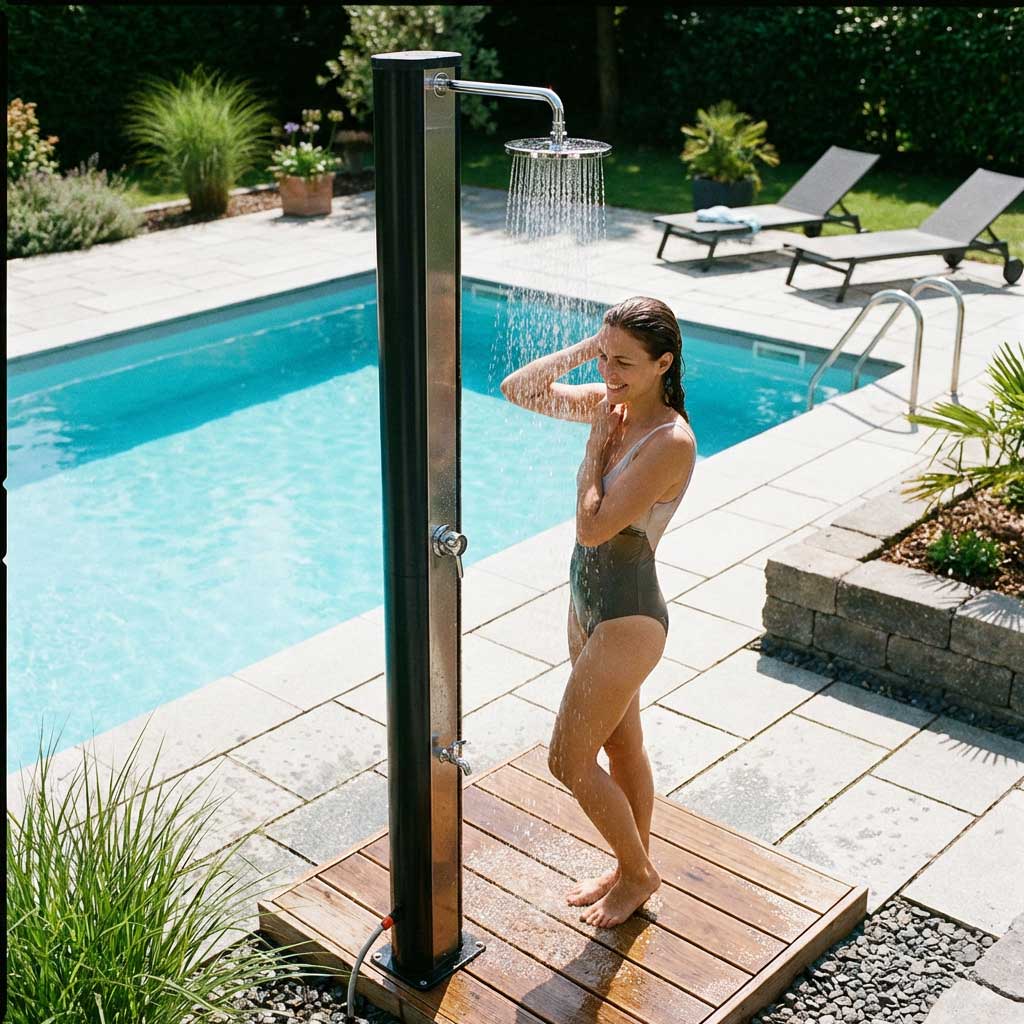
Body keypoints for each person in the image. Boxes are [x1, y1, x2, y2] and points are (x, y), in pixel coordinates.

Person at [500, 295, 697, 928]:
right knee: (623, 744)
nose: (611, 375)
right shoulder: (609, 405)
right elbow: (519, 389)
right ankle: (628, 865)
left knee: (567, 758)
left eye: (626, 363)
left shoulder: (670, 441)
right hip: (586, 606)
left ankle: (640, 872)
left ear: (664, 362)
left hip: (629, 619)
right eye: (605, 359)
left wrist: (593, 452)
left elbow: (595, 529)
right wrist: (594, 347)